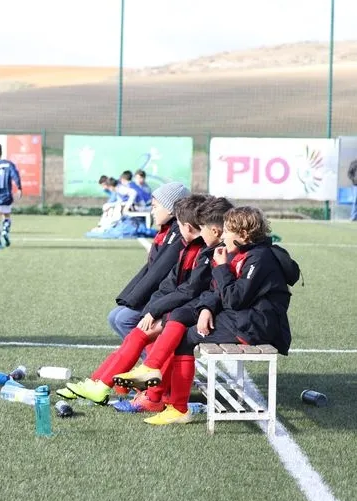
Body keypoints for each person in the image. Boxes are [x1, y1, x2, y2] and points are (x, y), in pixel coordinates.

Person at [113, 206, 300, 425]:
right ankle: (153, 374)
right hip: (240, 318)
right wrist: (206, 308)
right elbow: (216, 291)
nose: (224, 235)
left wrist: (221, 268)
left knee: (185, 339)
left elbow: (234, 299)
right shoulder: (243, 253)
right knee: (180, 316)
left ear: (243, 234)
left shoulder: (259, 258)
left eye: (228, 231)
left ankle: (176, 406)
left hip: (255, 326)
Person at [60, 195, 230, 410]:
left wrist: (156, 310)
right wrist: (152, 308)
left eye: (179, 226)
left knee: (156, 334)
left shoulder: (207, 251)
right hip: (185, 308)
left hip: (196, 311)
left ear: (188, 227)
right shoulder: (191, 246)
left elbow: (192, 290)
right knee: (139, 332)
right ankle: (100, 383)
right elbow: (172, 284)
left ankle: (150, 393)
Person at [107, 181, 190, 339]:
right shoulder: (168, 231)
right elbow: (154, 269)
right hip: (160, 294)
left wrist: (137, 299)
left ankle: (153, 356)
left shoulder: (179, 234)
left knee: (124, 320)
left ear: (171, 209)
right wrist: (131, 297)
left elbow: (160, 273)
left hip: (167, 297)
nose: (152, 212)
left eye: (155, 207)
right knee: (114, 317)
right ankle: (143, 353)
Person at [0, 142, 22, 249]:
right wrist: (19, 187)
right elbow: (15, 176)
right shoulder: (9, 164)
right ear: (1, 152)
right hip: (6, 195)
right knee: (7, 215)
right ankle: (5, 231)